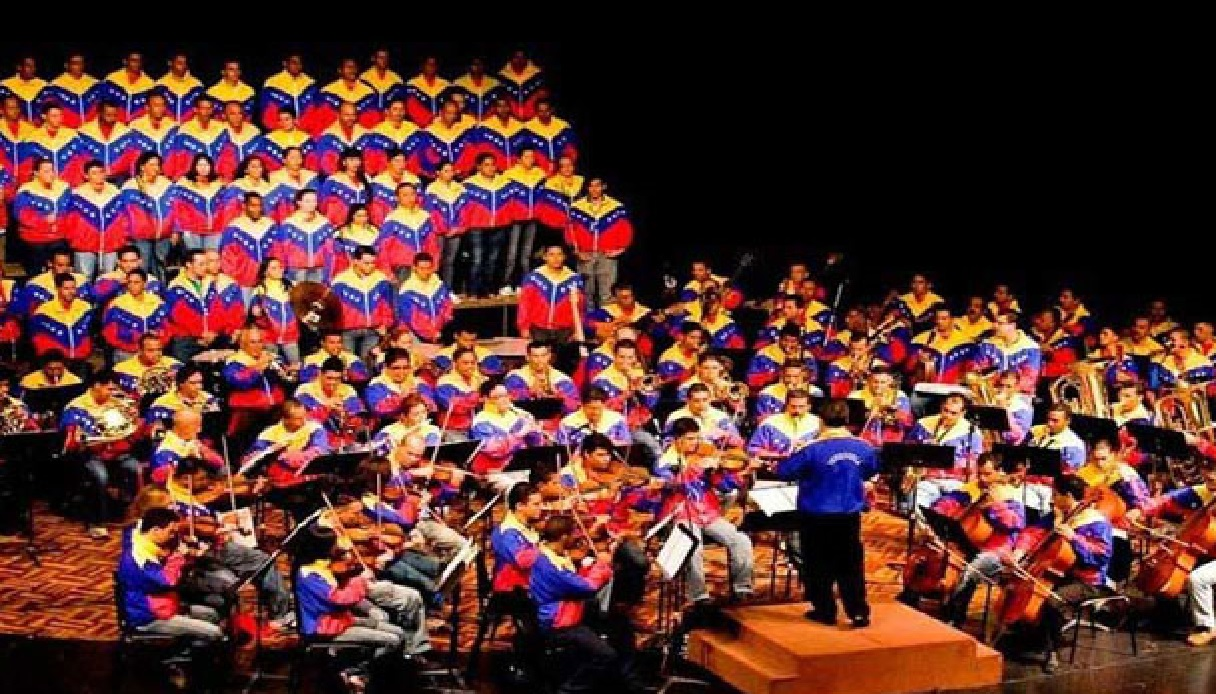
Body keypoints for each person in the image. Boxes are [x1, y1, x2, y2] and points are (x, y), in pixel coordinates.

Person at [775, 399, 879, 627]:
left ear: (821, 421)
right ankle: (858, 611)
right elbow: (871, 469)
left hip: (816, 515)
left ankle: (825, 610)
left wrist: (796, 451)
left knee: (817, 564)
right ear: (847, 420)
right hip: (848, 516)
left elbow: (784, 472)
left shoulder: (812, 449)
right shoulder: (864, 447)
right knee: (850, 564)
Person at [530, 513, 650, 694]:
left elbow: (573, 579)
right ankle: (569, 689)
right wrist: (601, 565)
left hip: (571, 609)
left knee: (621, 624)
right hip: (560, 622)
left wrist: (589, 564)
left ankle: (630, 680)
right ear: (563, 537)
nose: (576, 538)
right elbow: (587, 587)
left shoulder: (552, 554)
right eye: (573, 534)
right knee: (605, 655)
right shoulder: (549, 566)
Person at [1007, 475, 1113, 673]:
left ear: (1069, 496)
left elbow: (1101, 556)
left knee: (1052, 602)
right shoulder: (1060, 515)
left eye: (1056, 495)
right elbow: (1033, 532)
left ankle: (1052, 651)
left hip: (1087, 580)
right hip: (1059, 574)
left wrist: (1074, 538)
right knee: (1019, 584)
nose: (1052, 499)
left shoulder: (1096, 522)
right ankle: (1028, 633)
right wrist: (1019, 551)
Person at [655, 417, 754, 603]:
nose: (696, 443)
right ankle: (699, 596)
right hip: (681, 514)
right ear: (677, 440)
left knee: (741, 540)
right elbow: (672, 484)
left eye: (697, 438)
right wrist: (696, 468)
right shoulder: (664, 462)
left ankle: (742, 589)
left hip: (708, 513)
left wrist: (735, 475)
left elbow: (724, 487)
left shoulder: (705, 455)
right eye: (690, 439)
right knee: (693, 546)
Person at [116, 507, 225, 641]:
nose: (173, 536)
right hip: (149, 616)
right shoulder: (139, 557)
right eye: (171, 532)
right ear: (155, 530)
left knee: (211, 615)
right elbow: (168, 581)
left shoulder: (142, 538)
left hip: (167, 605)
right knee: (215, 632)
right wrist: (178, 556)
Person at [61, 369, 141, 538]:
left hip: (116, 451)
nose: (112, 393)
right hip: (89, 454)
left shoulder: (117, 404)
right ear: (96, 386)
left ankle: (129, 513)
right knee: (100, 476)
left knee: (135, 468)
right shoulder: (76, 408)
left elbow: (129, 431)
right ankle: (97, 522)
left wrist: (133, 419)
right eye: (109, 389)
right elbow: (72, 443)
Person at [567, 178, 633, 308]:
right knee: (586, 294)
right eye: (591, 186)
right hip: (585, 254)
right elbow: (570, 230)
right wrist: (576, 251)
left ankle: (606, 320)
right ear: (587, 188)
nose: (594, 189)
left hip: (607, 255)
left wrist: (621, 249)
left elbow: (625, 229)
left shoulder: (616, 206)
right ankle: (588, 321)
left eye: (597, 186)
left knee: (607, 294)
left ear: (604, 187)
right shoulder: (576, 207)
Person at [64, 159, 128, 280]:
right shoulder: (77, 196)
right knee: (84, 278)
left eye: (101, 172)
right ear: (86, 176)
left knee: (108, 279)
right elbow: (68, 222)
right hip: (84, 246)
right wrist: (77, 240)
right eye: (94, 173)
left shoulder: (115, 194)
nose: (99, 176)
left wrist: (120, 239)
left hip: (111, 245)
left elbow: (124, 219)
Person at [331, 245, 394, 359]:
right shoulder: (340, 281)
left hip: (373, 330)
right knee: (348, 363)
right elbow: (334, 309)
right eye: (366, 263)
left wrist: (385, 324)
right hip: (347, 331)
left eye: (373, 263)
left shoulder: (381, 280)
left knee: (368, 364)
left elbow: (387, 306)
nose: (371, 266)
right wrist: (337, 328)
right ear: (355, 261)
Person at [13, 159, 72, 276]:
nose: (51, 174)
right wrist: (44, 220)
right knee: (37, 274)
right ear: (36, 173)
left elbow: (70, 211)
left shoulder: (64, 188)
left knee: (61, 273)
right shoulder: (26, 190)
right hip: (35, 239)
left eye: (52, 170)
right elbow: (21, 214)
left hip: (59, 237)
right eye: (46, 171)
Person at [29, 271, 95, 365]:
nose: (71, 292)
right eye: (66, 288)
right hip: (55, 363)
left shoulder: (86, 308)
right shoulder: (43, 311)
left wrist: (86, 350)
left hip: (80, 359)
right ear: (58, 289)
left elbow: (90, 332)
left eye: (73, 288)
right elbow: (37, 338)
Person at [76, 101, 137, 181]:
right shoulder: (83, 132)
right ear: (99, 113)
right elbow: (82, 156)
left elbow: (129, 155)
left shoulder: (126, 132)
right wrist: (98, 170)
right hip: (93, 177)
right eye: (108, 115)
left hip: (119, 177)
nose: (112, 118)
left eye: (115, 115)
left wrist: (113, 169)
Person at [43, 53, 100, 128]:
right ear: (66, 65)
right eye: (75, 63)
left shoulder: (95, 84)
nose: (79, 66)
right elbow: (50, 112)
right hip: (66, 130)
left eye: (81, 63)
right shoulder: (54, 86)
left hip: (91, 130)